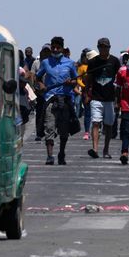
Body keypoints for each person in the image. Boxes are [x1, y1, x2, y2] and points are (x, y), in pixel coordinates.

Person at [35, 36, 78, 165]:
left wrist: (71, 82)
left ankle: (61, 153)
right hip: (50, 99)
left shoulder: (70, 63)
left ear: (62, 48)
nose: (55, 49)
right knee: (49, 128)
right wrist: (41, 85)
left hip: (65, 100)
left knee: (64, 131)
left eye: (58, 47)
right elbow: (38, 78)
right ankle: (49, 156)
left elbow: (76, 81)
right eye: (53, 47)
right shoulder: (45, 63)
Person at [85, 37, 121, 159]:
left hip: (110, 98)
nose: (103, 48)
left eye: (105, 46)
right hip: (96, 97)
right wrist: (86, 94)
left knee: (108, 124)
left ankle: (106, 149)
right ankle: (95, 149)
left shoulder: (115, 61)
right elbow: (88, 79)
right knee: (95, 122)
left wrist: (118, 100)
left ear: (109, 48)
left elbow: (119, 80)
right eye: (101, 46)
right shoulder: (93, 62)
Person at [31, 43, 52, 141]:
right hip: (39, 92)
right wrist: (33, 89)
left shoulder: (53, 63)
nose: (46, 53)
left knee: (49, 113)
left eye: (48, 51)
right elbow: (32, 76)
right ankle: (39, 133)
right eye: (45, 51)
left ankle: (50, 133)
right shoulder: (36, 63)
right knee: (39, 113)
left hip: (50, 92)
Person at [75, 48, 94, 141]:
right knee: (87, 112)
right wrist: (84, 85)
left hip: (95, 92)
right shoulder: (81, 67)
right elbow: (78, 79)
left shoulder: (93, 65)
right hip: (85, 92)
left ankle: (96, 129)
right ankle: (87, 131)